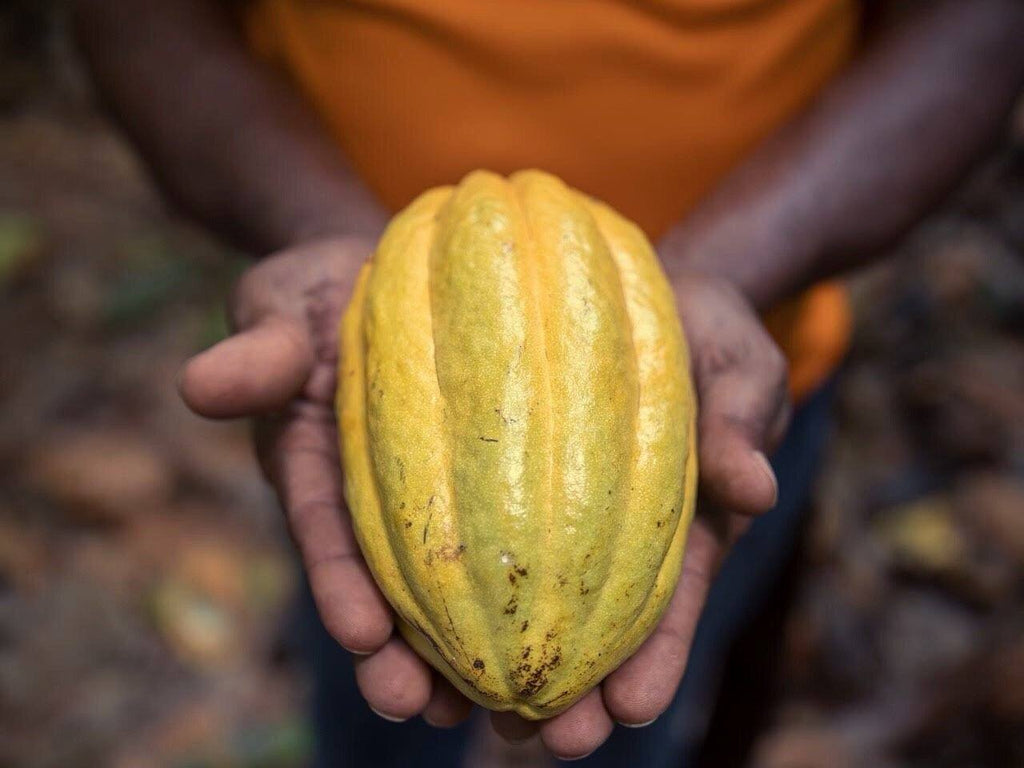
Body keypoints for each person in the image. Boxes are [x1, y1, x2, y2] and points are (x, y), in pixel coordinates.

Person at [74, 0, 1024, 764]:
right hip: (363, 357)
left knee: (642, 716)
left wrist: (731, 267)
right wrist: (335, 239)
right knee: (384, 703)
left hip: (727, 378)